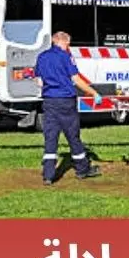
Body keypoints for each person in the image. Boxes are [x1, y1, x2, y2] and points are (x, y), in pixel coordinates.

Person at [33, 31, 102, 186]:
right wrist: (93, 93)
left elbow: (39, 81)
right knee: (73, 136)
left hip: (49, 101)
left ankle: (48, 175)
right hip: (66, 101)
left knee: (50, 137)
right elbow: (76, 79)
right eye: (68, 44)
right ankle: (82, 169)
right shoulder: (66, 56)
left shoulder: (42, 56)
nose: (68, 46)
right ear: (63, 42)